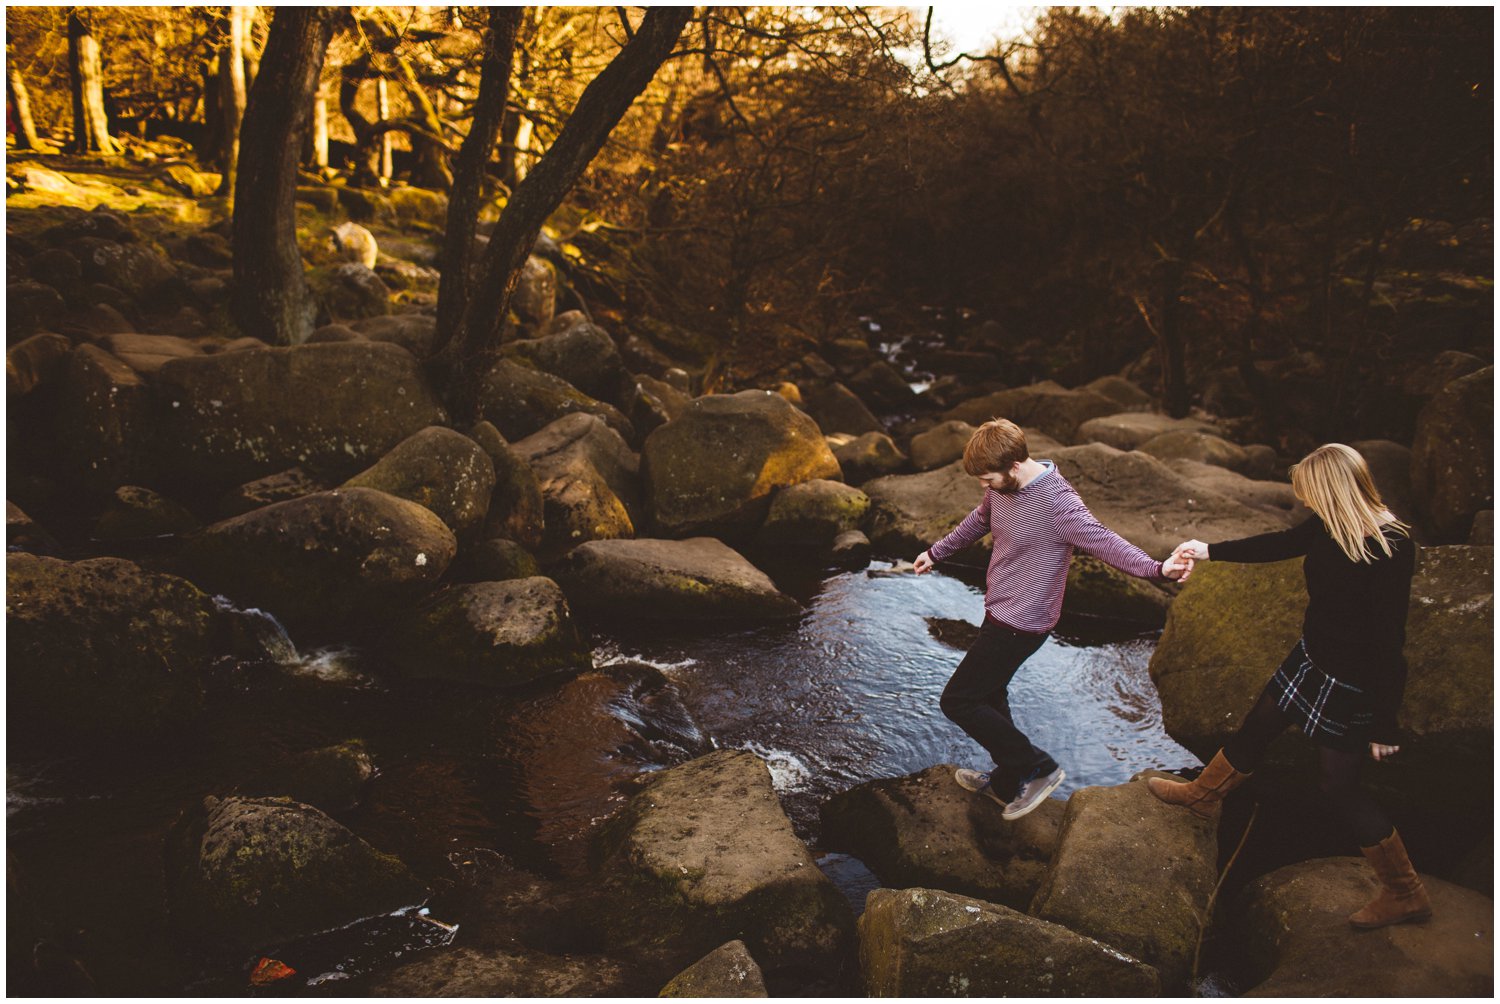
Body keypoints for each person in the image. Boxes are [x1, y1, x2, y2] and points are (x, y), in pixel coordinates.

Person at [1148, 443, 1428, 930]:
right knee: (1259, 724)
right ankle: (1203, 796)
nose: (1307, 505)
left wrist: (1385, 722)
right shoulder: (1329, 525)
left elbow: (1389, 638)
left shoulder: (1392, 544)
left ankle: (1405, 893)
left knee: (1339, 787)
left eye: (1310, 496)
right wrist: (1208, 550)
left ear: (1333, 491)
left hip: (1351, 681)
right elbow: (1277, 544)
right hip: (1310, 657)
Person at [914, 418, 1193, 821]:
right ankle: (1009, 780)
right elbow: (980, 519)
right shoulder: (1000, 491)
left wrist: (1157, 568)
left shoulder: (1058, 503)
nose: (984, 486)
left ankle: (1036, 767)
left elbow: (1105, 542)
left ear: (1013, 465)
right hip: (998, 608)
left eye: (988, 478)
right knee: (990, 696)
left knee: (957, 701)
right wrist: (938, 552)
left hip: (1024, 623)